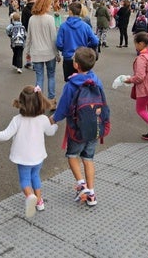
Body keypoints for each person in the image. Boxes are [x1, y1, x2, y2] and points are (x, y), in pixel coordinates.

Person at [0, 85, 57, 217]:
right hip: (38, 156)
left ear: (21, 103)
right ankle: (39, 201)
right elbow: (51, 132)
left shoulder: (17, 120)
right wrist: (55, 124)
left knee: (25, 179)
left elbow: (5, 135)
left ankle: (30, 196)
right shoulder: (43, 119)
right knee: (35, 176)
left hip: (23, 158)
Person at [49, 47, 108, 206]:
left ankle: (81, 184)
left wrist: (53, 119)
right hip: (95, 127)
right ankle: (92, 193)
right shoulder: (97, 80)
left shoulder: (71, 84)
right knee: (88, 159)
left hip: (77, 129)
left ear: (76, 65)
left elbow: (63, 108)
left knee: (72, 155)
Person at [24, 0, 60, 110]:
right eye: (49, 4)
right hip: (49, 53)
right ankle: (51, 101)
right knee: (51, 76)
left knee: (39, 78)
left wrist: (27, 51)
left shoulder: (32, 19)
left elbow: (29, 37)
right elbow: (54, 38)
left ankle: (38, 103)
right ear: (45, 5)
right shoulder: (49, 19)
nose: (50, 6)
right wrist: (57, 54)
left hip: (36, 53)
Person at [56, 1, 99, 82]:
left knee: (69, 83)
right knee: (83, 83)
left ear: (70, 12)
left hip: (68, 58)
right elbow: (95, 41)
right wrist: (87, 46)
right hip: (82, 58)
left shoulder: (63, 26)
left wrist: (65, 49)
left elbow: (59, 44)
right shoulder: (85, 26)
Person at [21, 0, 35, 69]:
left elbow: (23, 22)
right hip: (37, 30)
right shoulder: (37, 8)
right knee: (36, 47)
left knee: (29, 47)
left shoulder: (25, 9)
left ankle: (28, 62)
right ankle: (36, 63)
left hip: (28, 30)